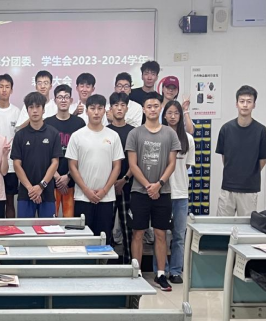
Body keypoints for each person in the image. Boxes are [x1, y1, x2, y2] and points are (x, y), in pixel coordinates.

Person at [126, 92, 181, 292]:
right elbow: (132, 164)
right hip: (139, 192)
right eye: (149, 106)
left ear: (161, 108)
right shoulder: (135, 134)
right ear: (143, 109)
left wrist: (159, 184)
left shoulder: (170, 134)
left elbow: (172, 163)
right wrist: (149, 186)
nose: (152, 109)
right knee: (138, 233)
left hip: (163, 192)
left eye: (156, 106)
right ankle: (137, 273)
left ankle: (160, 274)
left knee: (160, 233)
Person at [67, 94, 124, 243]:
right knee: (83, 240)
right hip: (82, 197)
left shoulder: (113, 136)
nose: (96, 112)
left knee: (103, 239)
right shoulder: (77, 136)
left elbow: (117, 167)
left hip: (106, 198)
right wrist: (86, 190)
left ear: (105, 111)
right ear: (87, 111)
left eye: (100, 108)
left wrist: (104, 191)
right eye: (92, 108)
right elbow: (72, 166)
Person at [152, 100, 195, 284]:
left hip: (180, 194)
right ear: (164, 115)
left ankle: (176, 271)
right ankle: (160, 270)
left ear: (180, 116)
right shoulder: (157, 136)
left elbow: (186, 166)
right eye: (169, 113)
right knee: (160, 234)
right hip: (162, 192)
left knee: (178, 235)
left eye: (176, 113)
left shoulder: (188, 139)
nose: (172, 116)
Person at [216, 85, 266, 216]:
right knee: (222, 225)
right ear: (236, 104)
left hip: (249, 189)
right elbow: (224, 157)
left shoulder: (261, 130)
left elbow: (263, 160)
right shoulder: (226, 129)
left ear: (254, 105)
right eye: (242, 101)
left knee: (246, 226)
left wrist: (248, 174)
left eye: (249, 101)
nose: (245, 105)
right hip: (228, 187)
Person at [11, 92, 62, 218]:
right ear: (27, 110)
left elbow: (55, 163)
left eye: (38, 106)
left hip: (47, 193)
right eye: (31, 107)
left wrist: (41, 186)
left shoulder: (53, 133)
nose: (34, 110)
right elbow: (17, 164)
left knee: (47, 229)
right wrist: (31, 189)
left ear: (43, 109)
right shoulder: (20, 135)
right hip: (26, 194)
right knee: (25, 229)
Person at [44, 84, 85, 218]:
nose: (63, 100)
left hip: (72, 181)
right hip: (51, 180)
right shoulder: (47, 123)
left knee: (70, 220)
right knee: (51, 221)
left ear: (71, 100)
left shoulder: (79, 123)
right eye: (60, 97)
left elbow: (82, 153)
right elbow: (44, 154)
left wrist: (68, 176)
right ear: (55, 100)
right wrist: (56, 176)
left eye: (66, 97)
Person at [107, 92, 135, 264]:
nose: (119, 108)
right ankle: (106, 264)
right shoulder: (105, 131)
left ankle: (128, 263)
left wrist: (124, 179)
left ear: (127, 108)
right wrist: (111, 183)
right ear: (110, 108)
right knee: (106, 227)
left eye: (122, 105)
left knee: (128, 228)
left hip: (128, 185)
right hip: (107, 187)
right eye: (116, 105)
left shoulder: (133, 132)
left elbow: (135, 161)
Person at [0, 74, 20, 218]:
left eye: (7, 87)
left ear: (12, 90)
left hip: (11, 165)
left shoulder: (17, 112)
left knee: (9, 202)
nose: (4, 90)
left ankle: (10, 230)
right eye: (1, 87)